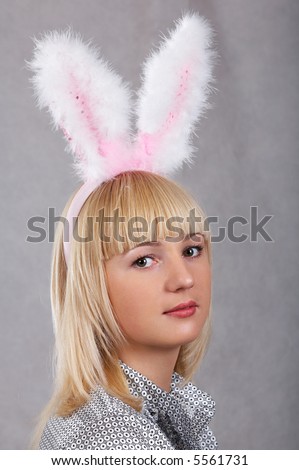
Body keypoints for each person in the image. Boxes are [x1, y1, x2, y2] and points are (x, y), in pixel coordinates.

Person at [28, 13, 218, 450]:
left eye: (191, 249)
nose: (183, 278)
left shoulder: (166, 412)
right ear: (93, 284)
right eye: (144, 259)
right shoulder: (112, 438)